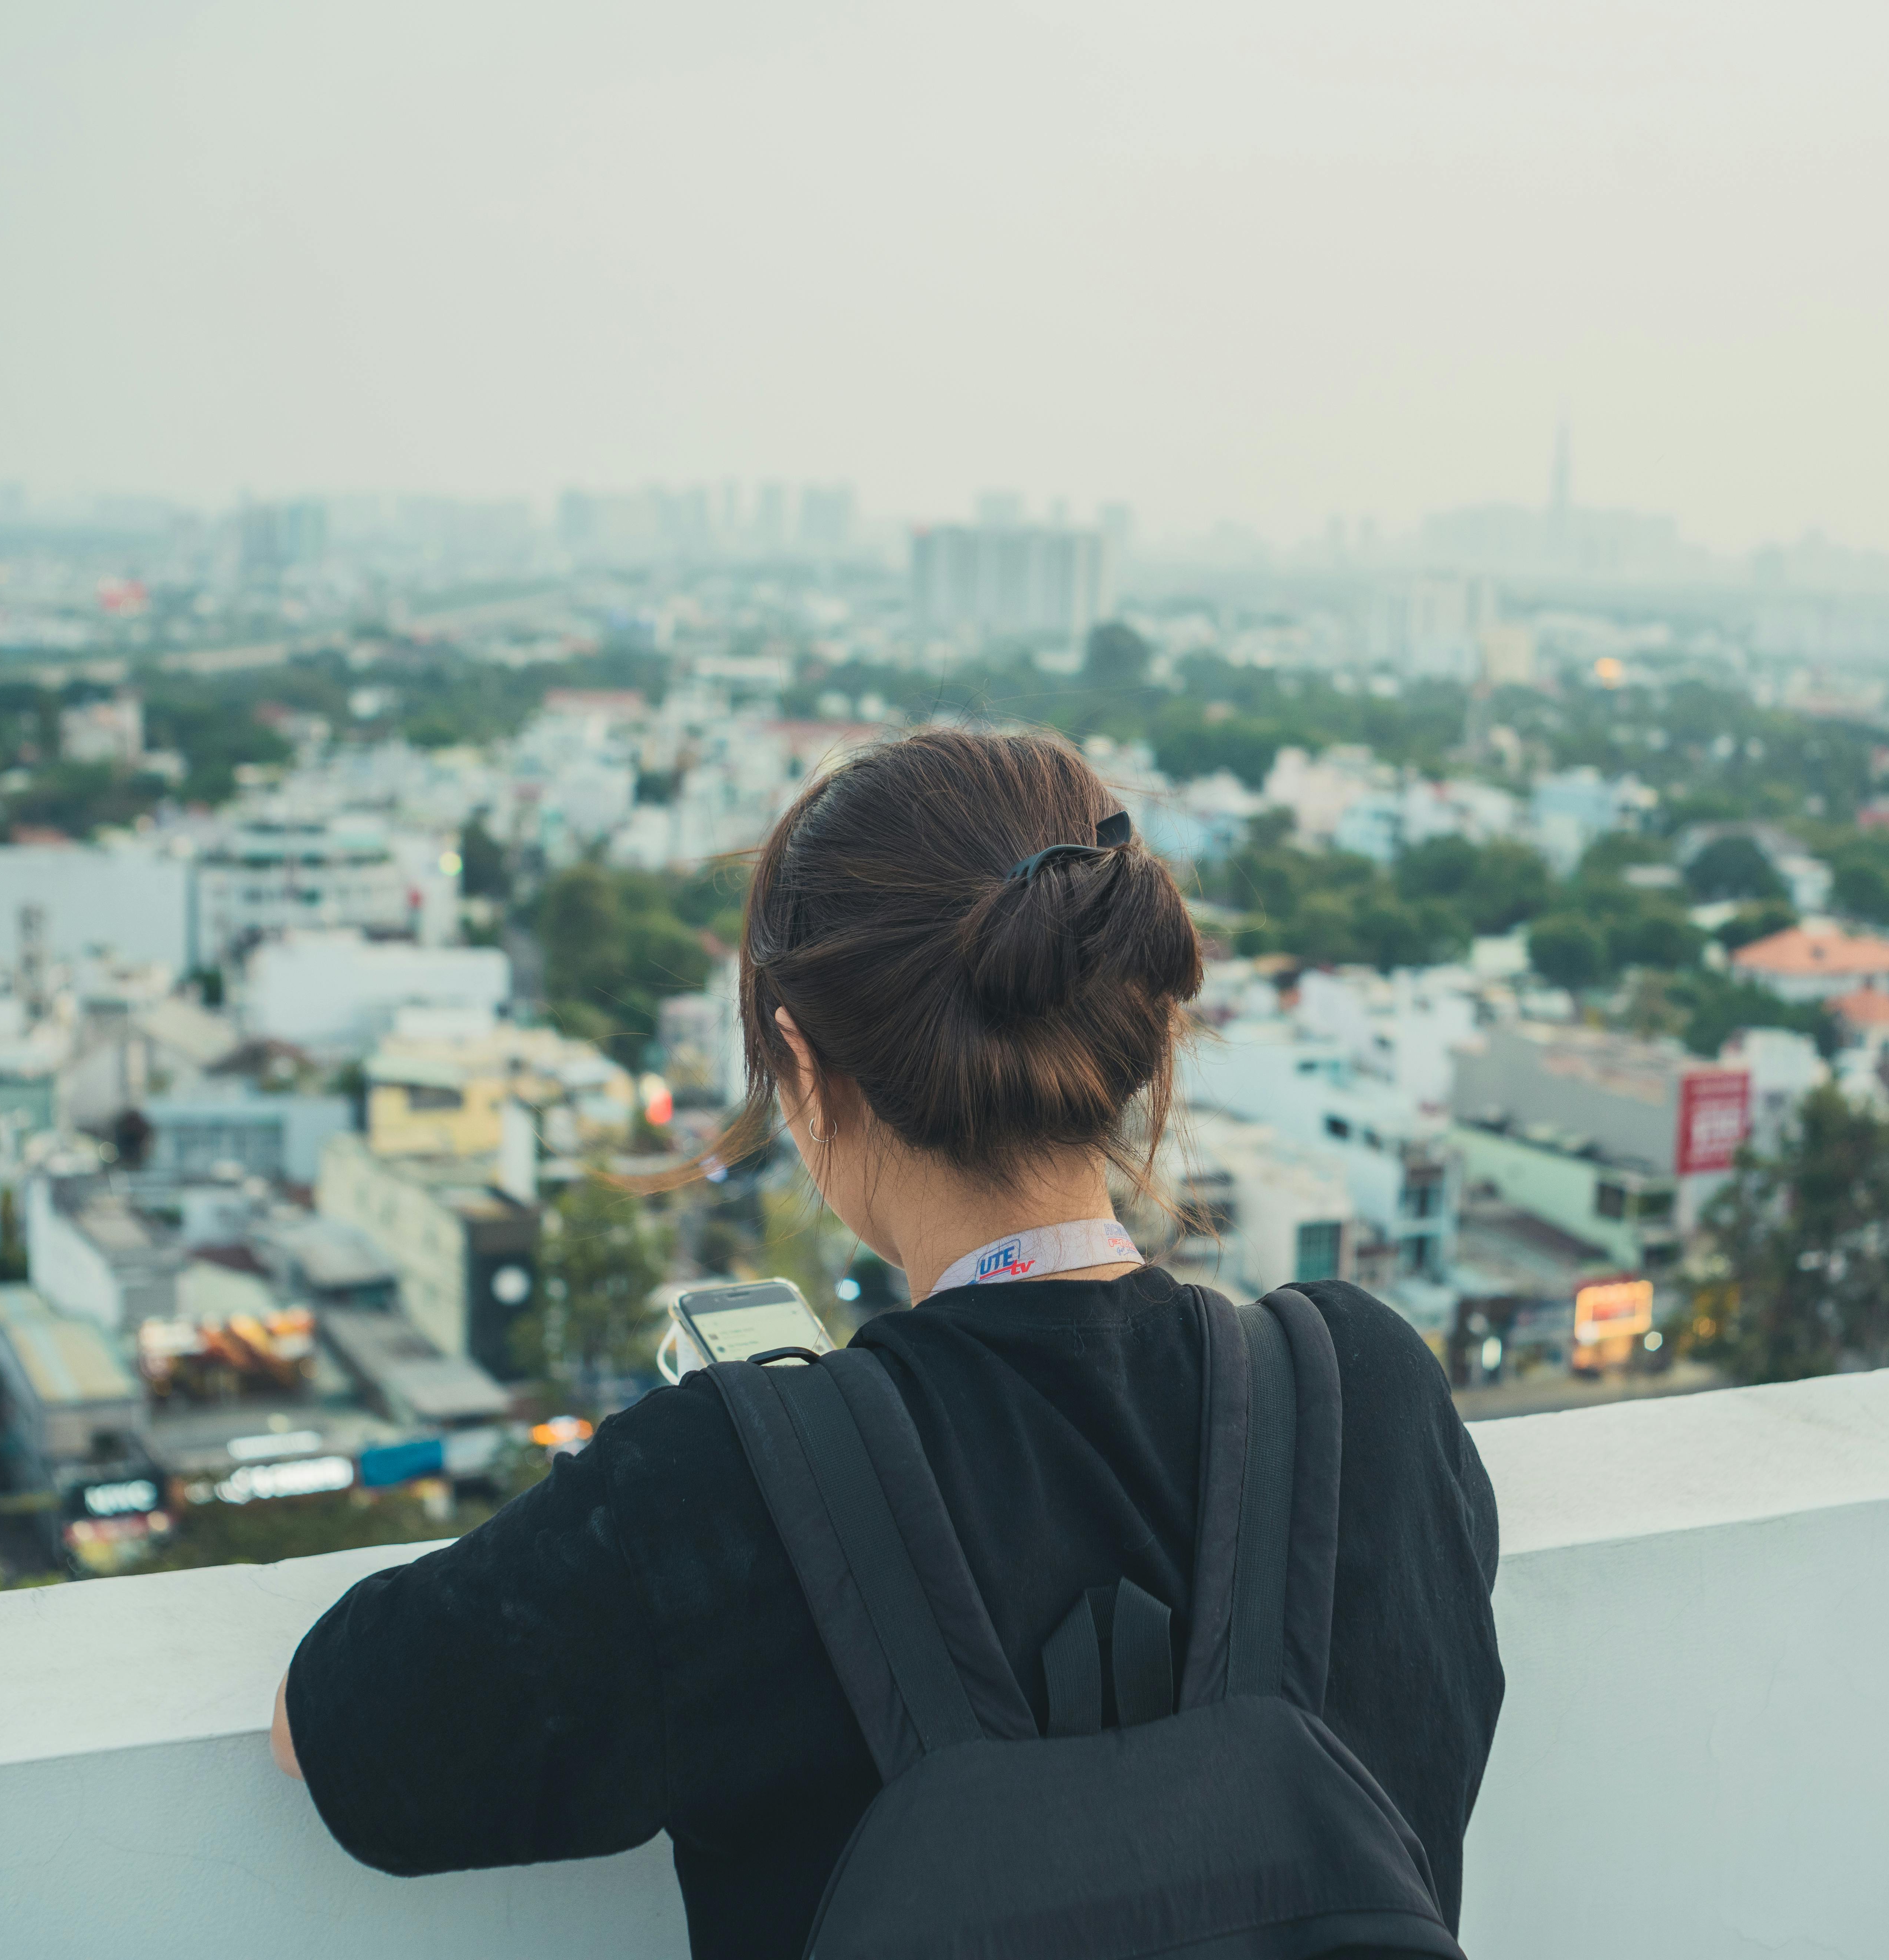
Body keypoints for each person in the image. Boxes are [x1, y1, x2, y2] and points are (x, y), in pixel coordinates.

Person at [275, 727, 1503, 1956]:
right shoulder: (1369, 1400)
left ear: (802, 1061)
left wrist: (679, 1482)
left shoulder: (733, 1492)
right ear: (1139, 1030)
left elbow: (348, 1735)